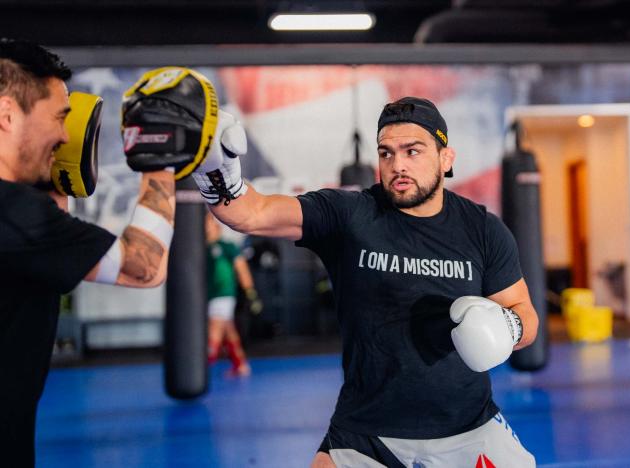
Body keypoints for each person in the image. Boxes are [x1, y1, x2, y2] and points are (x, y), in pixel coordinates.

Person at [182, 95, 540, 466]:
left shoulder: (482, 230)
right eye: (386, 153)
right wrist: (215, 169)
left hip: (469, 427)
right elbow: (251, 213)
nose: (397, 165)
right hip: (366, 431)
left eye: (412, 151)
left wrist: (506, 328)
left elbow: (526, 315)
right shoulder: (350, 215)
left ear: (446, 158)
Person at [0, 40, 181, 466]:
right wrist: (160, 158)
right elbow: (143, 266)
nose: (65, 135)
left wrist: (56, 180)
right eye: (58, 118)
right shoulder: (14, 212)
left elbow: (49, 242)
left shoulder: (20, 213)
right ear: (7, 114)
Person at [205, 212, 260, 377]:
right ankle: (240, 365)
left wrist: (250, 292)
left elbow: (242, 269)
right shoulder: (201, 249)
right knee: (229, 331)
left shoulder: (226, 247)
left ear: (217, 227)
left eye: (208, 223)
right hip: (211, 296)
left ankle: (200, 369)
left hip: (223, 296)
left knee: (214, 331)